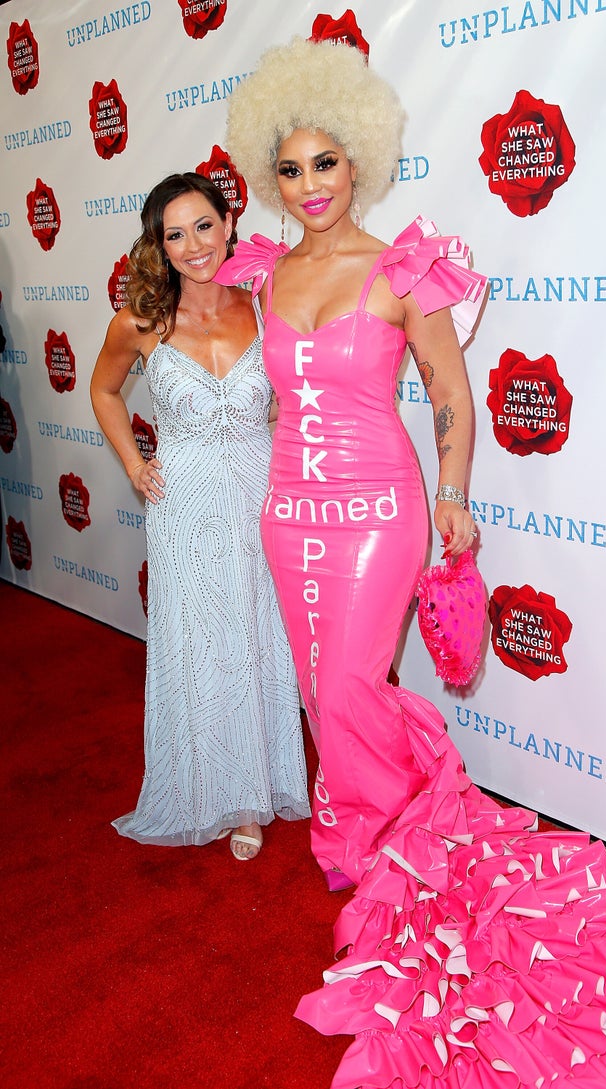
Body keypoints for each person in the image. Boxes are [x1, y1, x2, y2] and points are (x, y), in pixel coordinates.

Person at [218, 38, 606, 1089]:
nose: (312, 186)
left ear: (359, 159)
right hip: (287, 514)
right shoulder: (263, 274)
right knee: (325, 691)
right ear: (273, 175)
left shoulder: (403, 267)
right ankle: (379, 830)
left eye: (328, 163)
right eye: (293, 168)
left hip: (378, 512)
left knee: (353, 682)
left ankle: (369, 854)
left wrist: (452, 497)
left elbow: (451, 393)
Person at [91, 172, 310, 860]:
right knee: (202, 645)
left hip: (261, 495)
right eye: (174, 234)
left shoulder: (267, 304)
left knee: (259, 637)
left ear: (229, 224)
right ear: (159, 245)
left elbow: (294, 395)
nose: (193, 245)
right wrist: (133, 462)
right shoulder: (141, 322)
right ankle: (217, 792)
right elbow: (101, 389)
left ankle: (261, 784)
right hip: (183, 504)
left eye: (204, 226)